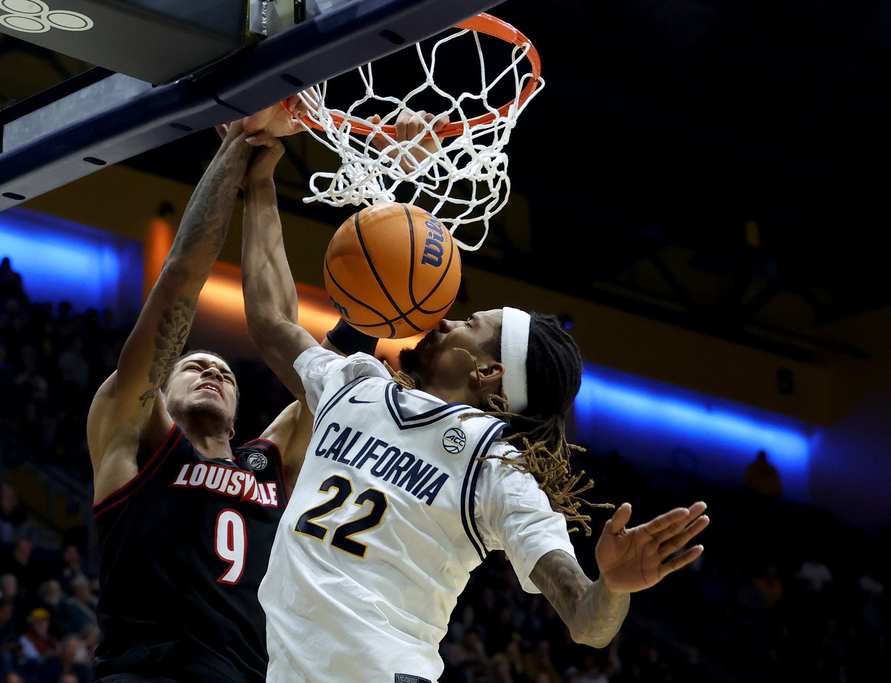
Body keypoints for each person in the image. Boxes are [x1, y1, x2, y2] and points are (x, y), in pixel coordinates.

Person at [238, 124, 711, 682]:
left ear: (488, 372)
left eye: (469, 324)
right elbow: (271, 321)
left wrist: (609, 588)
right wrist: (262, 181)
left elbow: (587, 621)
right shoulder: (358, 383)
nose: (443, 320)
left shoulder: (498, 471)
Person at [84, 100, 350, 682]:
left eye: (225, 373)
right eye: (193, 365)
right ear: (160, 391)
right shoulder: (132, 443)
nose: (213, 371)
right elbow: (181, 275)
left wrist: (263, 181)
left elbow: (315, 360)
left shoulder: (269, 461)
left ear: (237, 416)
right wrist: (236, 142)